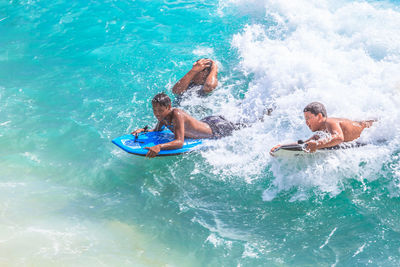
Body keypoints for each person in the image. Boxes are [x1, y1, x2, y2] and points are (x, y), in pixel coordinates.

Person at [131, 93, 238, 158]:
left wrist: (159, 146)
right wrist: (143, 131)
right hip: (206, 122)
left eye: (160, 110)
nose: (157, 113)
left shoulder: (177, 114)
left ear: (169, 107)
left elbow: (179, 142)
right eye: (154, 110)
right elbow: (157, 131)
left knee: (245, 127)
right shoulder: (162, 117)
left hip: (217, 128)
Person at [270, 102, 375, 154]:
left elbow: (339, 138)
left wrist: (317, 144)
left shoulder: (329, 122)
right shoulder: (322, 131)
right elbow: (305, 143)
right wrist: (282, 147)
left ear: (319, 116)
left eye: (308, 118)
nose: (306, 122)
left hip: (373, 129)